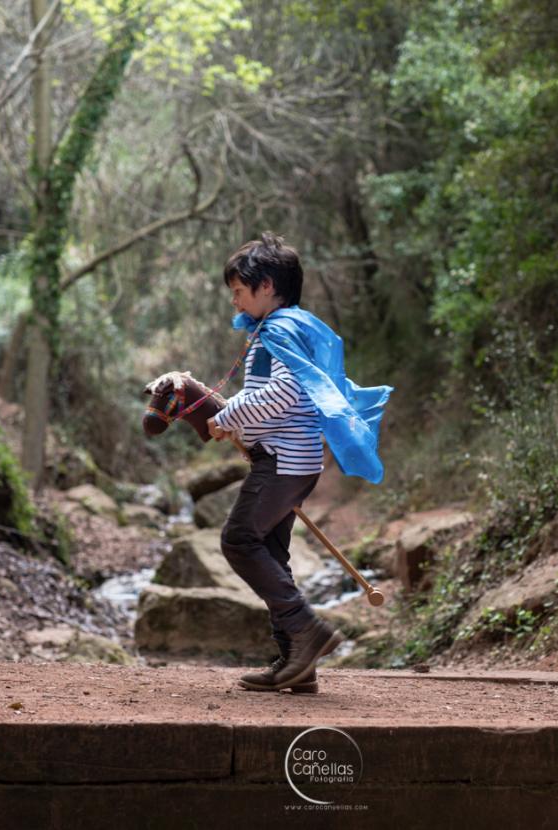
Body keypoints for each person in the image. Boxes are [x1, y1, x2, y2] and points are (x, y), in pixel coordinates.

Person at [186, 232, 392, 693]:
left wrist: (226, 417)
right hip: (296, 460)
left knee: (239, 540)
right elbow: (275, 394)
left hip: (282, 463)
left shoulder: (278, 331)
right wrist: (236, 416)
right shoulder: (288, 328)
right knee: (272, 553)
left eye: (239, 291)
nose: (234, 302)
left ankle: (305, 630)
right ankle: (298, 663)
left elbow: (285, 392)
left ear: (266, 286)